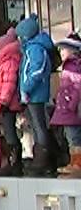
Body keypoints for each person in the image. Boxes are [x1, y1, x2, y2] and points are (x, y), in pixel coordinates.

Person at [18, 14, 57, 176]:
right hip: (33, 94)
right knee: (37, 125)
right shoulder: (32, 48)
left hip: (36, 94)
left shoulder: (35, 49)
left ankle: (44, 159)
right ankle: (43, 157)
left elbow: (37, 70)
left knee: (39, 125)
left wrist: (26, 88)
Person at [0, 27, 23, 176]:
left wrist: (3, 101)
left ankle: (15, 163)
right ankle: (12, 161)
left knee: (10, 132)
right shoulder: (5, 62)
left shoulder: (9, 62)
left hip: (8, 104)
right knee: (8, 132)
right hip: (5, 103)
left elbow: (9, 84)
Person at [51, 32, 81, 177]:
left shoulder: (72, 66)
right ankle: (74, 162)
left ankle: (77, 164)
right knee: (71, 137)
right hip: (66, 108)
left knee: (74, 137)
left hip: (70, 109)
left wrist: (71, 104)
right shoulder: (68, 66)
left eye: (63, 49)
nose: (60, 52)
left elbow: (77, 86)